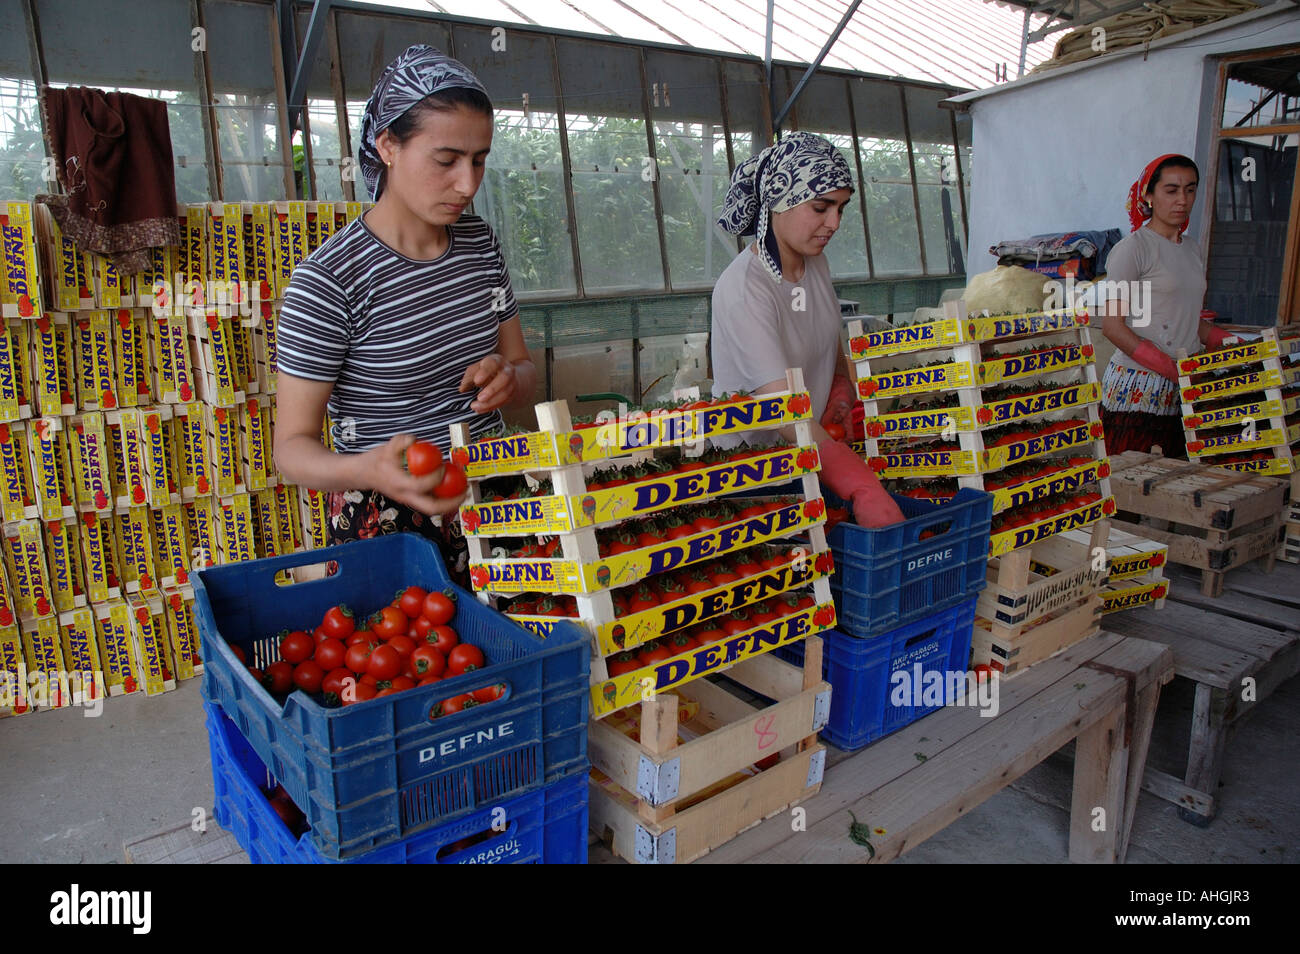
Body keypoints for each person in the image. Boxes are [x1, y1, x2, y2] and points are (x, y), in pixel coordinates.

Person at [273, 45, 536, 569]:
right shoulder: (329, 281)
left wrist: (508, 375)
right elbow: (291, 450)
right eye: (446, 160)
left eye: (479, 160)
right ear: (388, 145)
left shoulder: (479, 245)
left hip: (494, 500)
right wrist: (369, 469)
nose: (468, 184)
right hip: (388, 521)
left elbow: (524, 369)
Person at [712, 132, 903, 527]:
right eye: (821, 207)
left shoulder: (815, 265)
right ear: (779, 203)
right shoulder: (745, 287)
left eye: (841, 208)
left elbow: (828, 350)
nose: (833, 223)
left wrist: (838, 393)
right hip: (753, 476)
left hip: (810, 457)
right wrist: (861, 486)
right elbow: (785, 413)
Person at [1099, 153, 1232, 457]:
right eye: (1171, 191)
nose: (1182, 200)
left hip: (1182, 387)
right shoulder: (1132, 249)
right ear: (1148, 195)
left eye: (1190, 189)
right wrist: (1170, 368)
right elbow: (1112, 325)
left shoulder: (1192, 250)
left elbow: (1184, 318)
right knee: (1135, 486)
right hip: (1139, 390)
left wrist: (1233, 343)